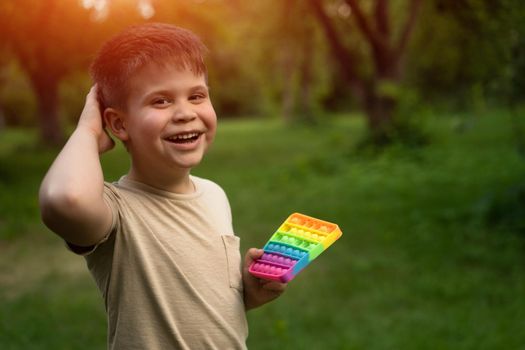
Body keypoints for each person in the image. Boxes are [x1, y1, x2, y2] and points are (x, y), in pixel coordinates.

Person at [39, 23, 286, 349]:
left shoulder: (214, 195)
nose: (185, 113)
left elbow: (206, 303)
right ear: (118, 124)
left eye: (197, 95)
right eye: (161, 101)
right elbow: (64, 199)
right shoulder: (116, 212)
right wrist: (87, 130)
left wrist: (248, 294)